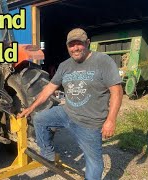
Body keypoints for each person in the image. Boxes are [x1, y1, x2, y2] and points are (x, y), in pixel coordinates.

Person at [17, 28, 123, 180]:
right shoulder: (65, 65)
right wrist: (31, 107)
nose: (75, 48)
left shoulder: (102, 61)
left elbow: (117, 92)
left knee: (94, 162)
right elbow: (49, 89)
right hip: (67, 112)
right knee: (40, 119)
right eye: (71, 45)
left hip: (90, 122)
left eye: (78, 44)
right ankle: (48, 153)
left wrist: (111, 120)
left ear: (87, 43)